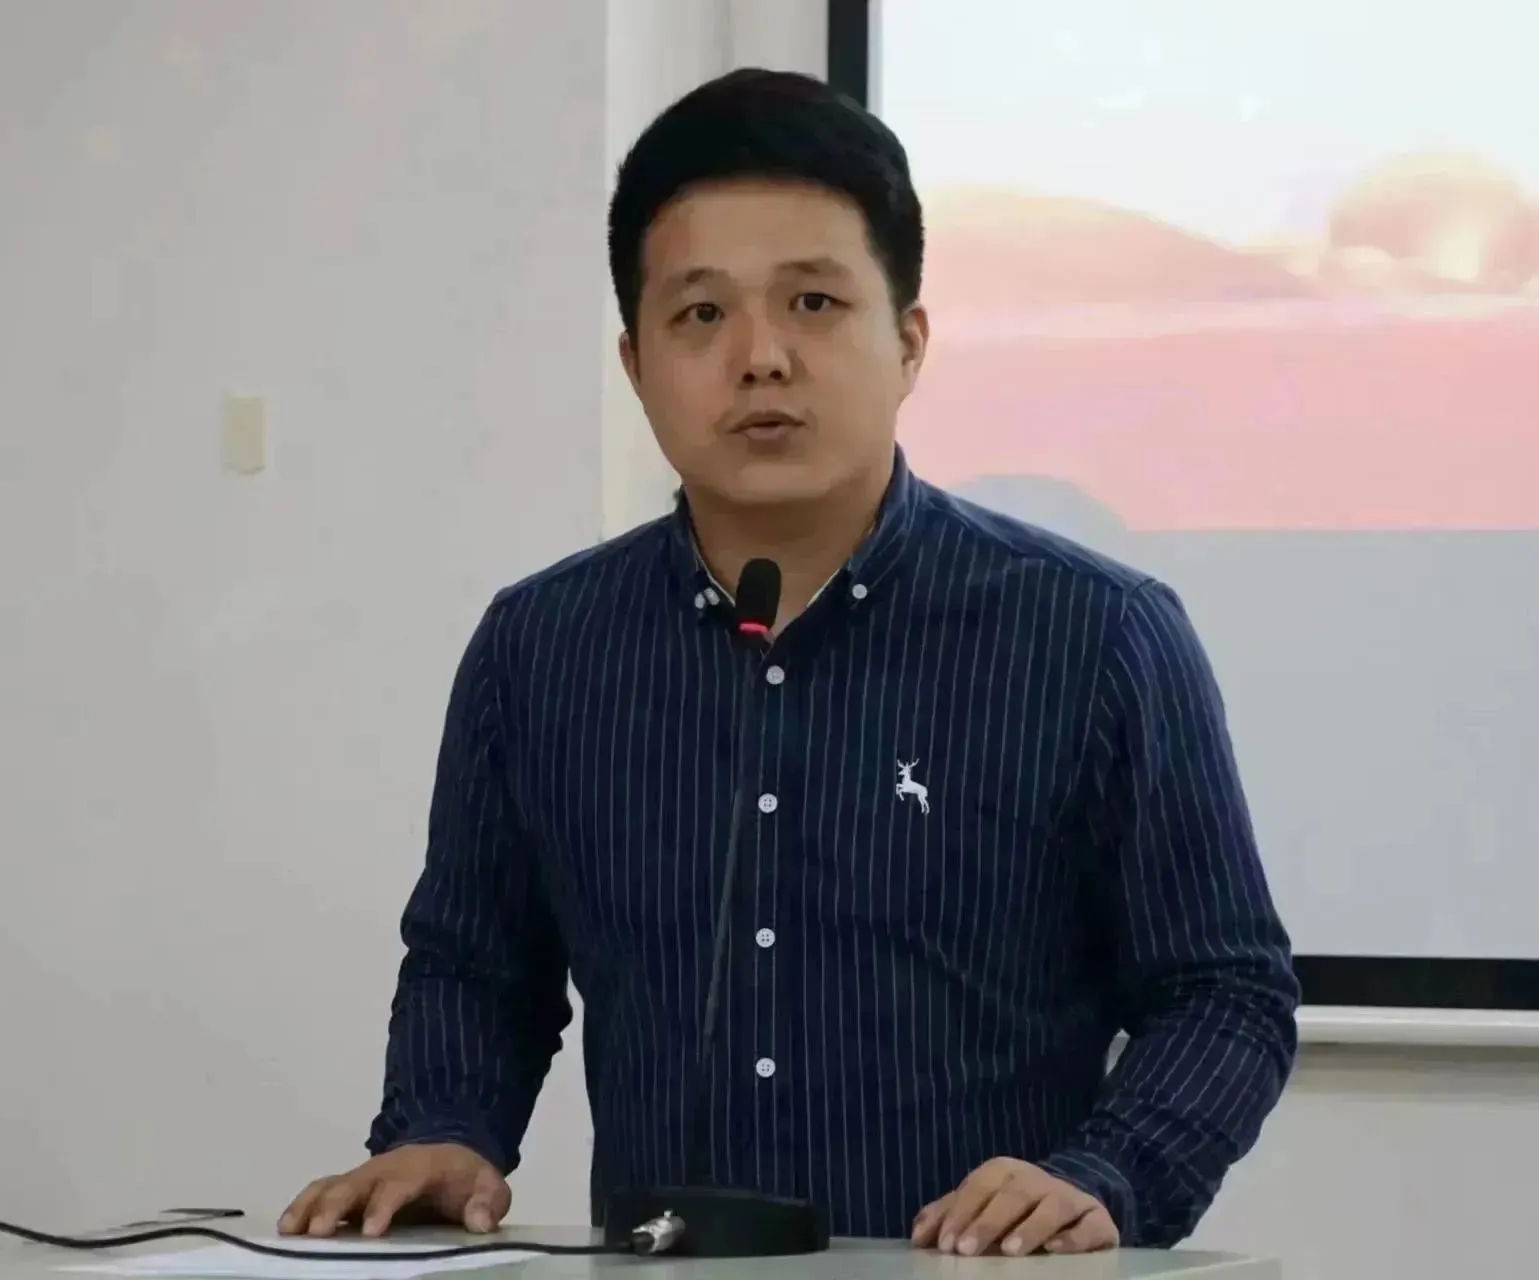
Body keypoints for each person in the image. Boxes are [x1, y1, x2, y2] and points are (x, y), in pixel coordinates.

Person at [279, 68, 1297, 1258]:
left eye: (813, 302)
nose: (760, 356)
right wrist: (445, 1127)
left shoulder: (1096, 634)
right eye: (701, 315)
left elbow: (1224, 989)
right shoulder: (539, 649)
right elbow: (476, 965)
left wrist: (1104, 1173)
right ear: (636, 363)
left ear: (908, 341)